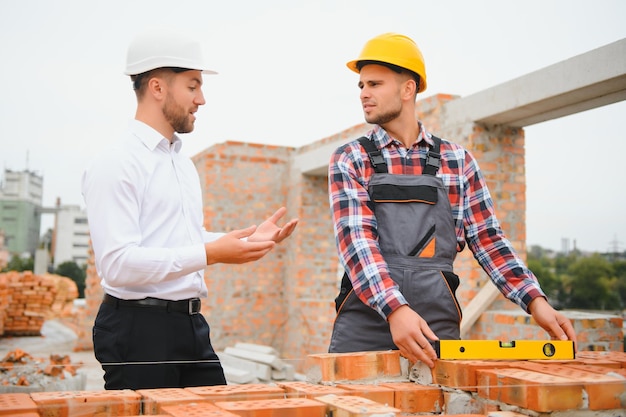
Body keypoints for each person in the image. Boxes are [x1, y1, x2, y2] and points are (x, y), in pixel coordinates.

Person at [327, 32, 576, 368]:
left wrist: (535, 301)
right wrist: (396, 309)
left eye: (374, 84)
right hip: (365, 324)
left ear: (407, 89)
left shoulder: (456, 161)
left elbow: (489, 241)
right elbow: (357, 245)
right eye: (361, 86)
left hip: (435, 326)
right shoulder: (350, 158)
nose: (364, 94)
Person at [81, 29, 298, 390]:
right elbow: (117, 264)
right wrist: (210, 253)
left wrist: (239, 240)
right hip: (138, 332)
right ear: (157, 88)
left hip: (191, 325)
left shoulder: (180, 162)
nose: (202, 99)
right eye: (193, 86)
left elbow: (178, 239)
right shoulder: (116, 162)